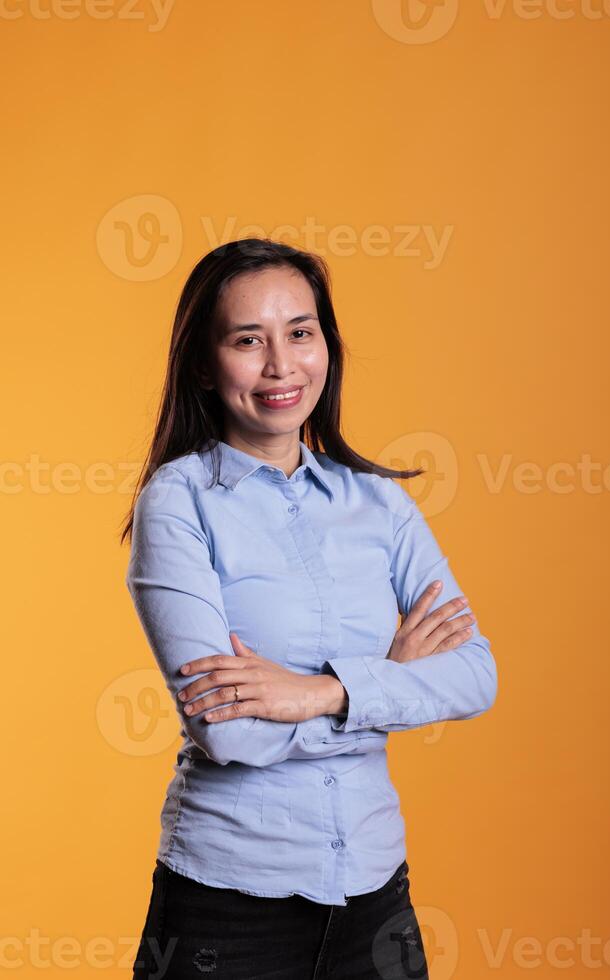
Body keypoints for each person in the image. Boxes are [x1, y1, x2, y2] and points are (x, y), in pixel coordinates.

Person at [121, 238, 498, 979]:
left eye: (300, 332)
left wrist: (319, 691)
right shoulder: (178, 503)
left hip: (377, 903)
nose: (281, 365)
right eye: (247, 340)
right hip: (226, 917)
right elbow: (227, 736)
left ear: (327, 344)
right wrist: (388, 682)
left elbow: (476, 675)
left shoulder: (380, 503)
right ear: (205, 363)